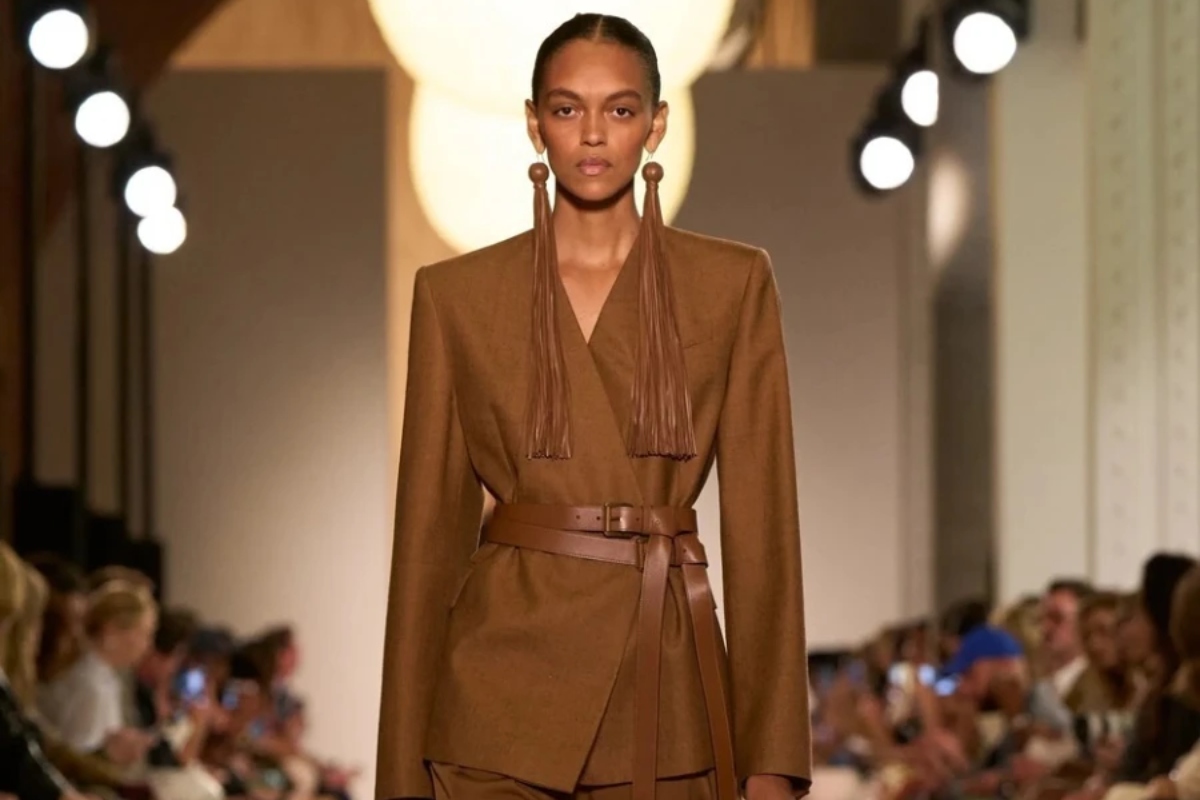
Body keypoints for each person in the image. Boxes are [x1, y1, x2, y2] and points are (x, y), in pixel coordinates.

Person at [375, 12, 810, 800]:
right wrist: (401, 770)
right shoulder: (457, 297)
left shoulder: (730, 285)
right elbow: (426, 546)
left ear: (656, 123)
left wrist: (771, 760)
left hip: (661, 686)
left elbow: (764, 531)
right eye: (568, 108)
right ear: (534, 123)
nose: (594, 133)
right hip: (496, 700)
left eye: (621, 108)